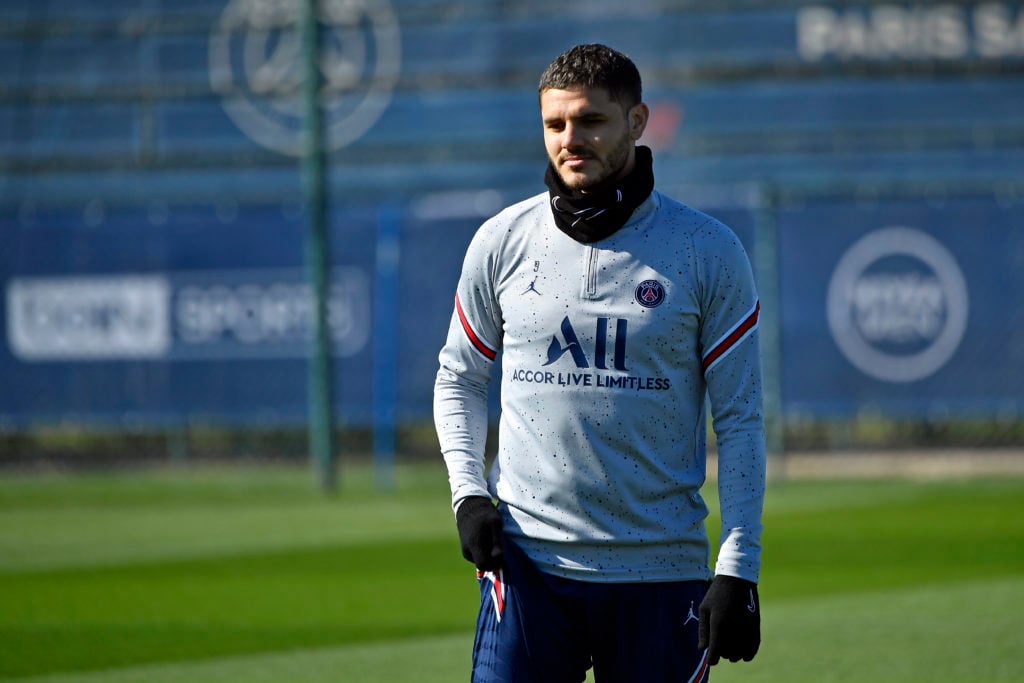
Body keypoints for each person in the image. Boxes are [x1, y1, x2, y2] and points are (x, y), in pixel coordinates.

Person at [434, 43, 765, 683]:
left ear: (636, 123)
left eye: (590, 121)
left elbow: (741, 420)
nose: (570, 139)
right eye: (555, 124)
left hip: (661, 573)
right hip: (527, 569)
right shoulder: (501, 241)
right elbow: (460, 378)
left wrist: (739, 567)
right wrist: (469, 495)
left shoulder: (707, 250)